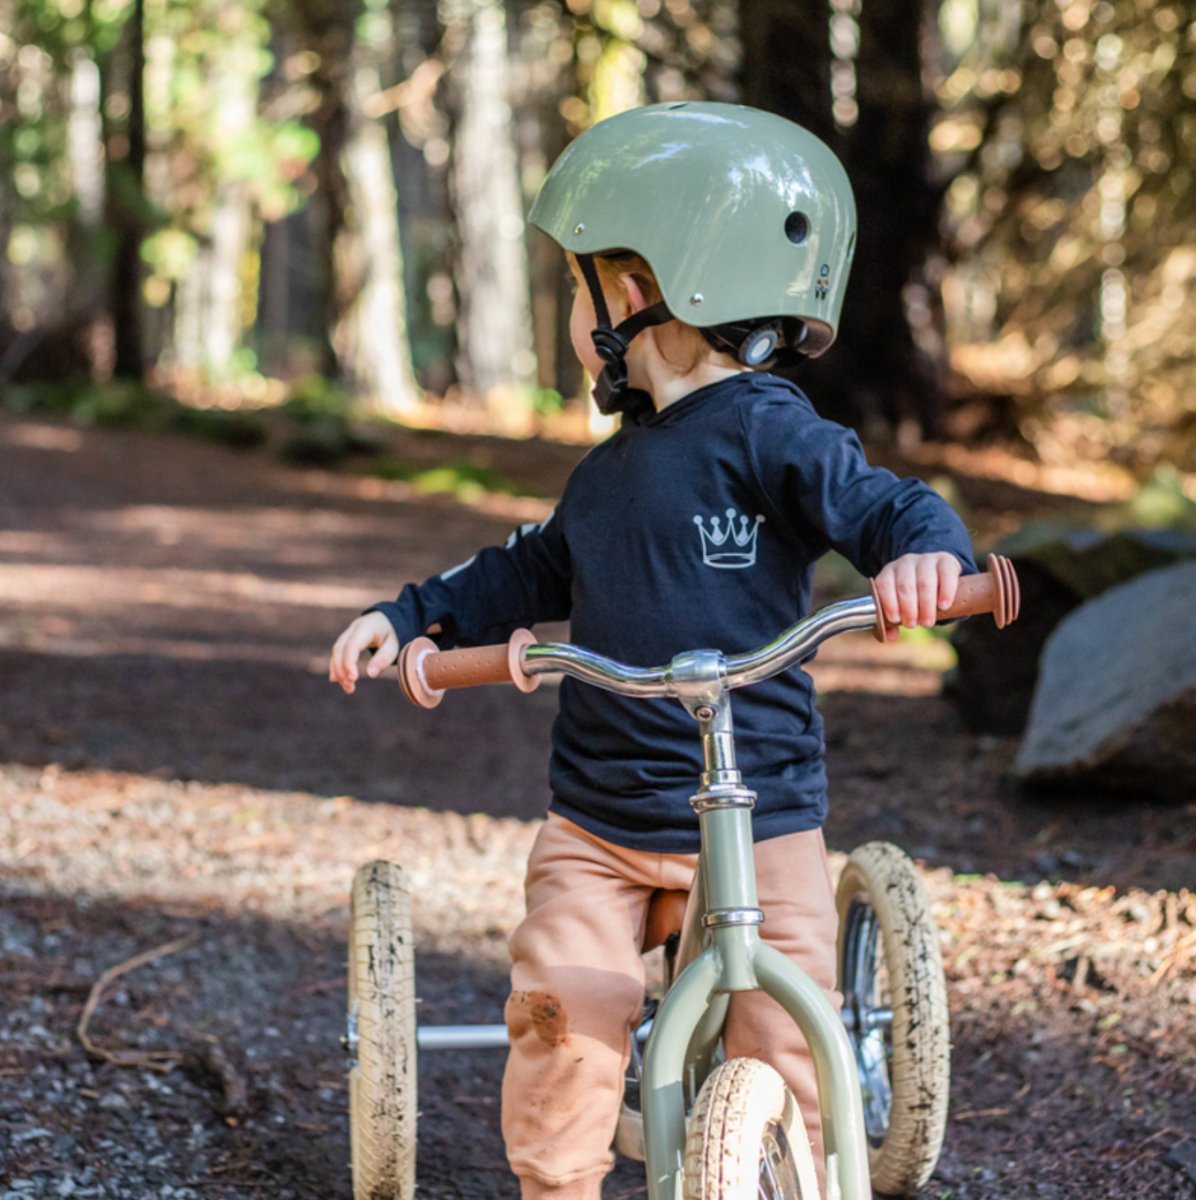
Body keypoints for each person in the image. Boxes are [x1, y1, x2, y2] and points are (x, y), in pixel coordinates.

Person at [329, 101, 976, 1200]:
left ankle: (797, 1175)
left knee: (788, 1035)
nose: (581, 324)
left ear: (633, 298)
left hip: (761, 813)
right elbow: (526, 573)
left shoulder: (774, 433)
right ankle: (560, 1187)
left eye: (583, 292)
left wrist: (923, 558)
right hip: (604, 822)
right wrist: (413, 616)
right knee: (563, 1017)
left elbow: (883, 508)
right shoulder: (608, 471)